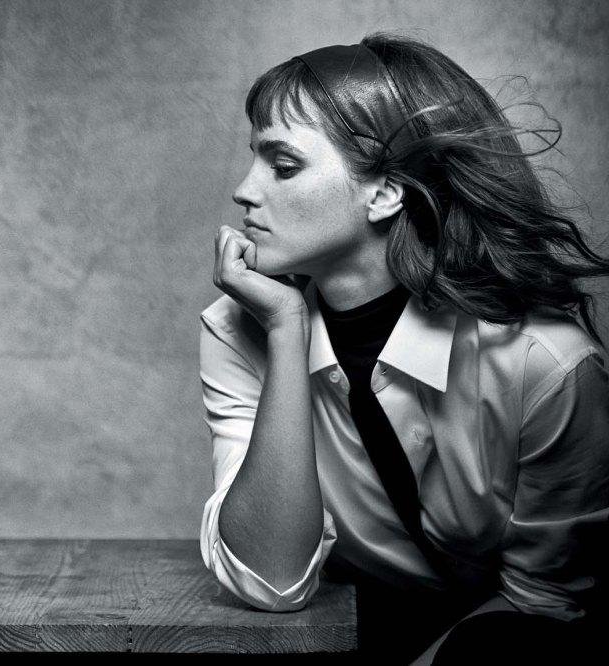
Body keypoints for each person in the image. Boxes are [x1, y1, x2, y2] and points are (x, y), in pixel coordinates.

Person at [199, 33, 609, 664]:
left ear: (386, 192)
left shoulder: (545, 364)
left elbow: (544, 603)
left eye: (283, 166)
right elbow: (272, 579)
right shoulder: (238, 329)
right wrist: (284, 330)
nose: (243, 190)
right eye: (255, 158)